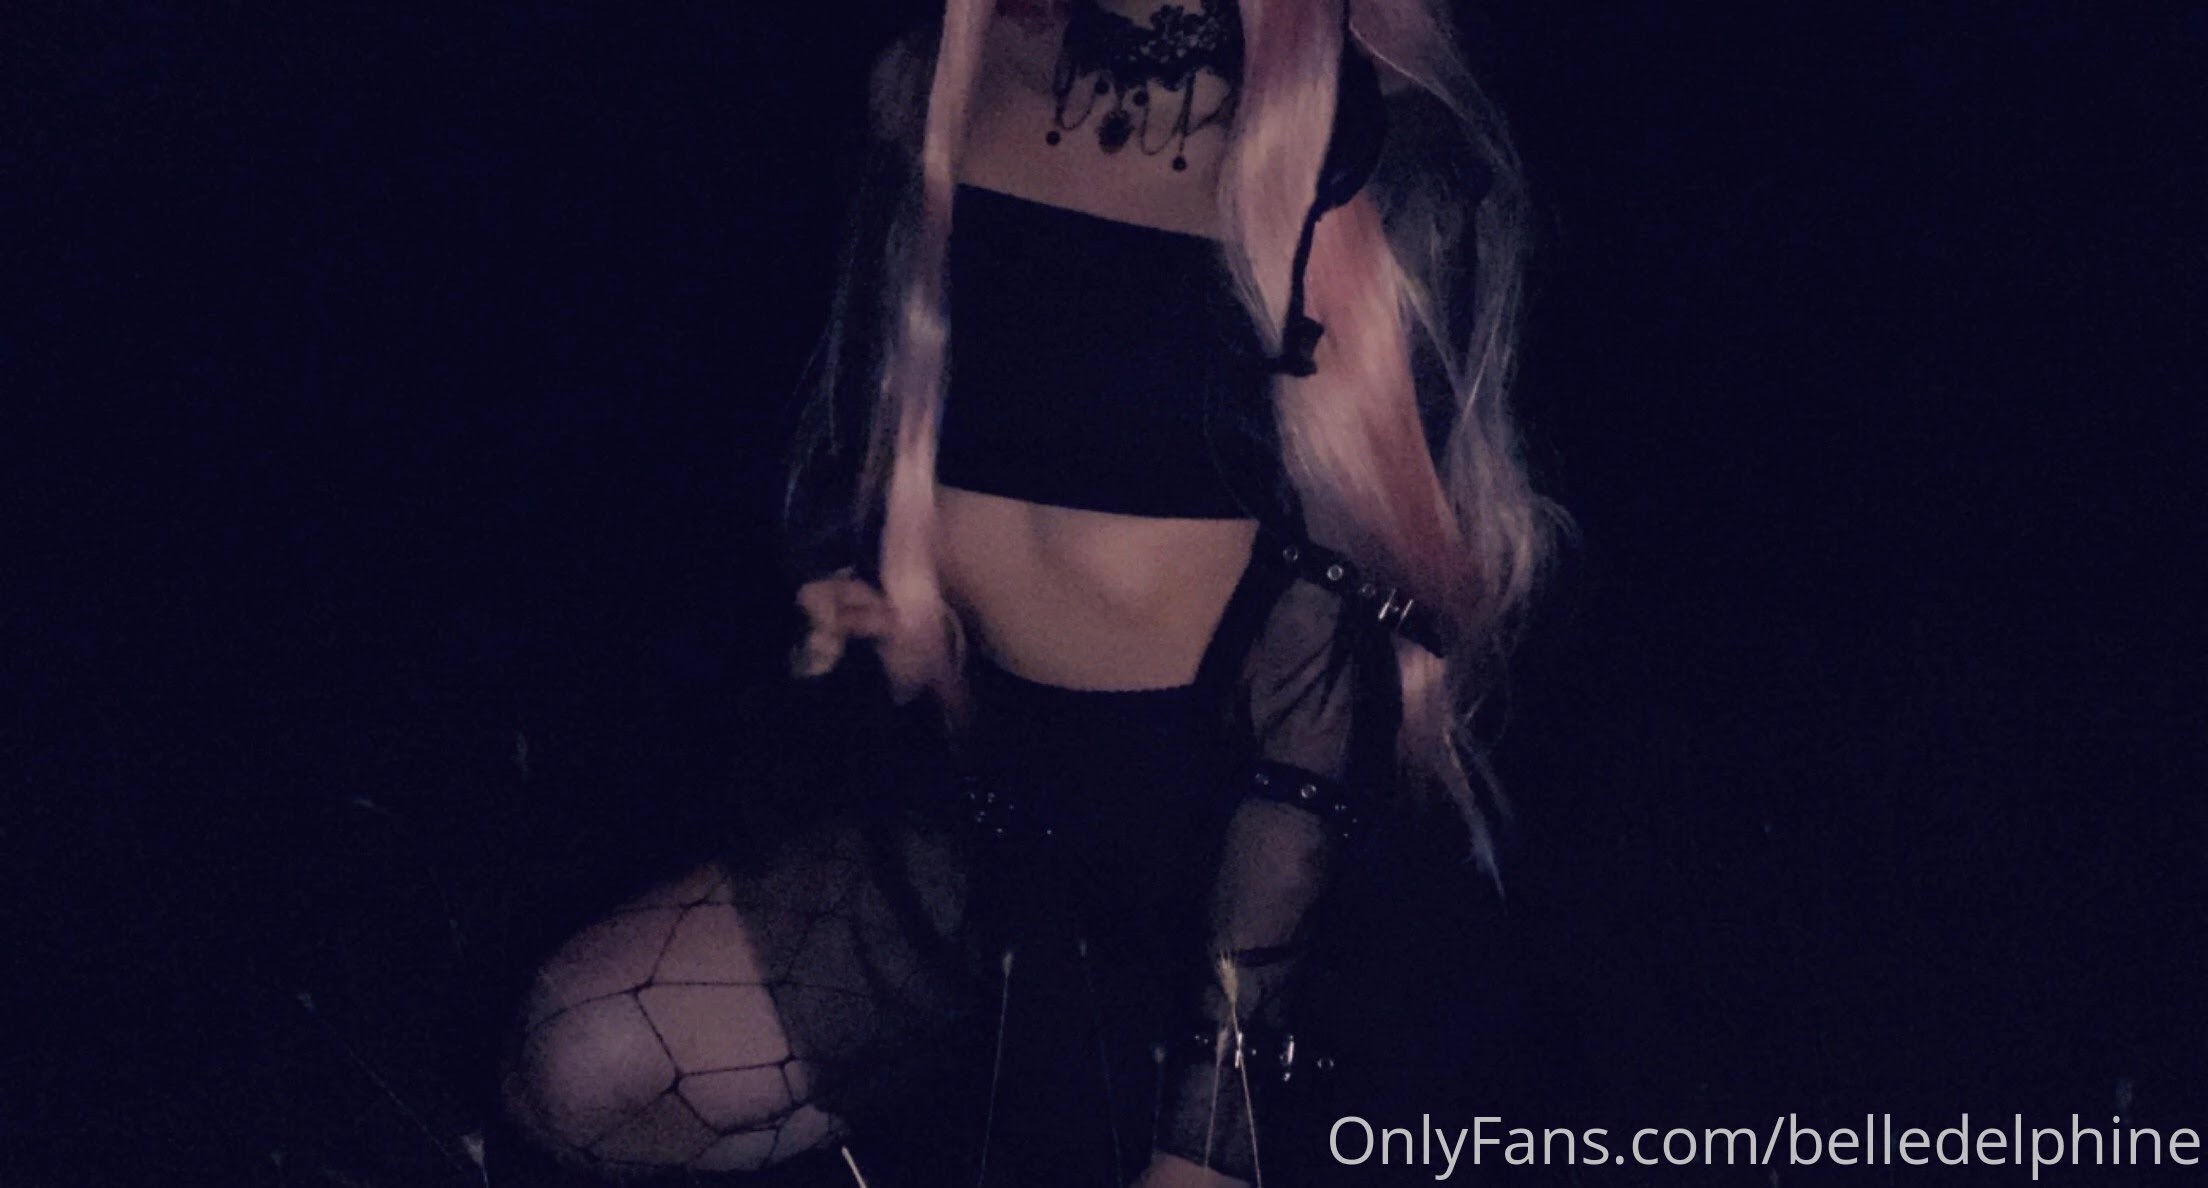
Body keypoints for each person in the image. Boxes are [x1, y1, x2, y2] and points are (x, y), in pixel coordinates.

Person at [492, 0, 1554, 1182]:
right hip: (990, 801)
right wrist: (853, 577)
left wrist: (1215, 1121)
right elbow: (904, 396)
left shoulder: (1381, 150)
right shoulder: (948, 66)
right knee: (580, 1062)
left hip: (1238, 839)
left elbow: (1323, 680)